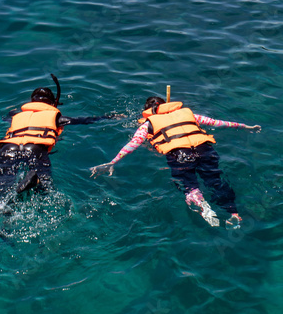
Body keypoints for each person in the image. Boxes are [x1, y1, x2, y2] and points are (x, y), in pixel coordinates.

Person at [91, 94, 260, 229]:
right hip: (205, 151)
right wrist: (244, 126)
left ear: (147, 110)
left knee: (189, 185)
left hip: (180, 156)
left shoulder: (148, 123)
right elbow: (217, 123)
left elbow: (133, 143)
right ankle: (233, 213)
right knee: (215, 181)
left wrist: (113, 162)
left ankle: (203, 208)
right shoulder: (189, 114)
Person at [0, 78, 116, 202]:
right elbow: (84, 120)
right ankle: (35, 180)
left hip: (8, 148)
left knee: (3, 190)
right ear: (52, 104)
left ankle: (5, 211)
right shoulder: (56, 117)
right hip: (35, 149)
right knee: (45, 188)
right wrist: (110, 117)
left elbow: (6, 118)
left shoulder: (17, 116)